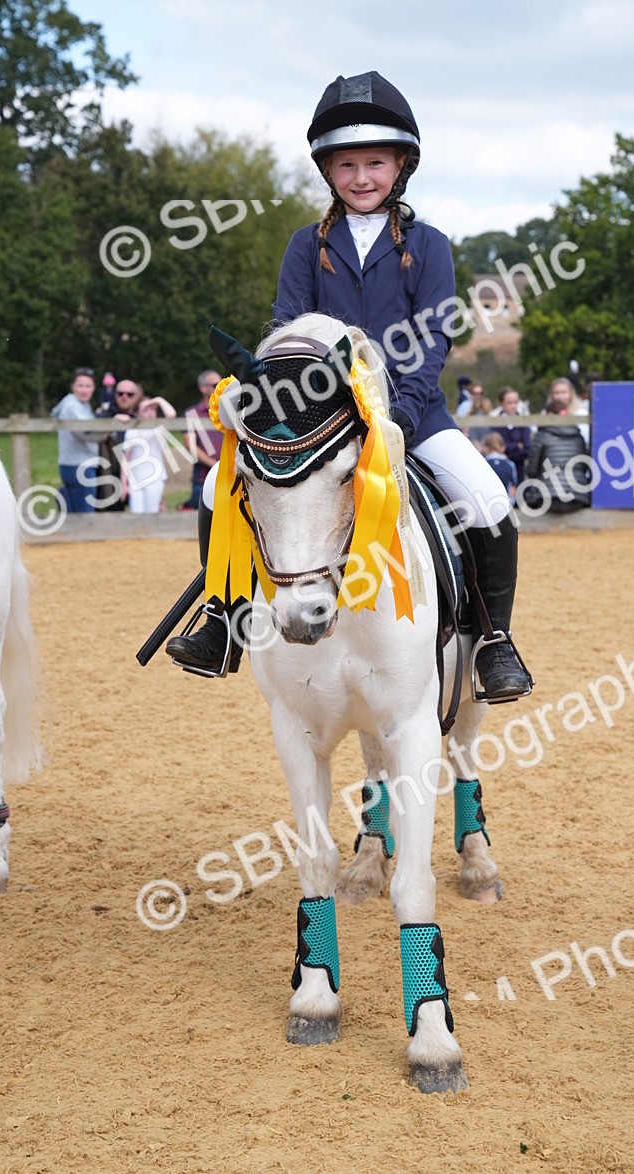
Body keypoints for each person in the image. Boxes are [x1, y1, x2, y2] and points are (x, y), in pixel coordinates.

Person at [166, 70, 531, 702]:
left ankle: (494, 638)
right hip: (318, 420)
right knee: (213, 488)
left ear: (401, 166)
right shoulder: (306, 246)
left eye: (375, 163)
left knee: (487, 498)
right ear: (328, 171)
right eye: (347, 165)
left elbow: (433, 343)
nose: (362, 177)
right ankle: (223, 619)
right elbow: (286, 336)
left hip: (414, 413)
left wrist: (404, 418)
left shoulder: (432, 246)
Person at [525, 394, 591, 513]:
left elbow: (532, 471)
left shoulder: (542, 435)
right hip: (578, 497)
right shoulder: (579, 436)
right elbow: (584, 466)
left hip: (547, 498)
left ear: (549, 414)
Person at [51, 368, 99, 512]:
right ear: (73, 386)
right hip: (79, 466)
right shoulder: (72, 406)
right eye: (80, 385)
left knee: (73, 515)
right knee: (85, 514)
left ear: (93, 388)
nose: (84, 390)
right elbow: (85, 432)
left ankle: (64, 498)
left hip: (72, 464)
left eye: (88, 386)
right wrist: (106, 433)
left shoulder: (82, 405)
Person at [122, 394, 177, 513]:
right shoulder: (132, 431)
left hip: (155, 478)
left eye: (153, 409)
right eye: (146, 410)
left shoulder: (159, 429)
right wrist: (124, 484)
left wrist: (159, 400)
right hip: (135, 480)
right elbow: (126, 458)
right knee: (136, 513)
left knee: (152, 512)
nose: (150, 413)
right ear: (137, 413)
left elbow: (171, 414)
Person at [94, 379, 141, 510]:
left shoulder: (141, 414)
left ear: (136, 396)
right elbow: (92, 436)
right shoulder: (104, 413)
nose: (124, 397)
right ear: (115, 395)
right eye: (120, 393)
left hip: (135, 474)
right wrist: (112, 423)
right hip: (106, 475)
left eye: (129, 394)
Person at [182, 369, 223, 509]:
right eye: (215, 384)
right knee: (200, 527)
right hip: (203, 479)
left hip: (231, 477)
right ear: (203, 388)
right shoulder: (191, 414)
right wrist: (216, 466)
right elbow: (191, 446)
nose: (220, 387)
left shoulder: (230, 411)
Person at [488, 387, 531, 479]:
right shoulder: (495, 422)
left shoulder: (523, 422)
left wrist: (507, 450)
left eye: (516, 402)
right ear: (501, 403)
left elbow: (527, 448)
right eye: (509, 403)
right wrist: (517, 446)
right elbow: (495, 447)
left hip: (520, 470)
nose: (513, 406)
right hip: (500, 471)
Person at [482, 432, 517, 500]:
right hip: (505, 503)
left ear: (485, 447)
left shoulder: (482, 464)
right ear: (503, 447)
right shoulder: (510, 464)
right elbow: (513, 487)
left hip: (486, 502)